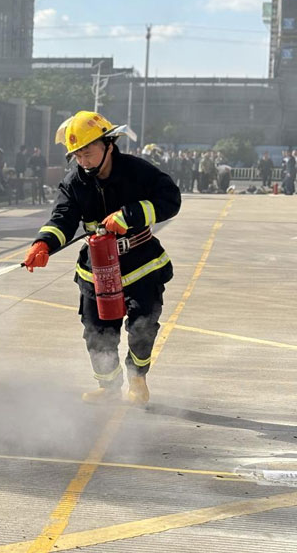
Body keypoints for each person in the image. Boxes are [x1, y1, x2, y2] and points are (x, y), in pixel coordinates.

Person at [23, 111, 181, 406]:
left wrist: (130, 215)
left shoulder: (138, 171)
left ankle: (137, 378)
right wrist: (43, 243)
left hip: (141, 264)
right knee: (97, 333)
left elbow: (170, 200)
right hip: (96, 268)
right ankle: (108, 388)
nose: (83, 161)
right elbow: (63, 217)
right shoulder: (74, 182)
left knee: (142, 325)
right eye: (77, 155)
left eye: (87, 151)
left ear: (108, 144)